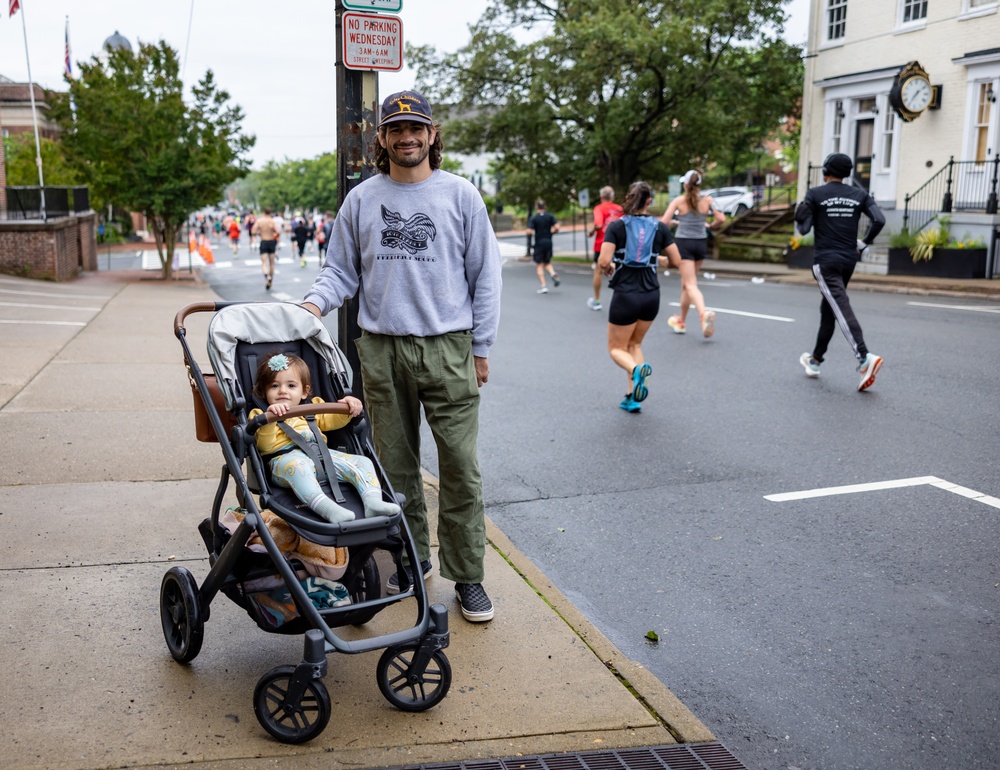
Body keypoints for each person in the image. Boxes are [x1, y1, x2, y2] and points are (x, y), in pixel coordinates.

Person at [302, 90, 503, 623]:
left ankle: (468, 575)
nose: (407, 137)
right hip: (383, 350)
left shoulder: (461, 195)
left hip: (448, 348)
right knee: (395, 468)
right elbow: (340, 271)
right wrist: (311, 305)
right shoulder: (363, 201)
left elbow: (486, 276)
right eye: (396, 129)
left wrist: (480, 347)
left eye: (417, 128)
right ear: (382, 139)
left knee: (461, 467)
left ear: (433, 135)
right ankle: (414, 559)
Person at [248, 353, 402, 524]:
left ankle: (373, 502)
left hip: (323, 456)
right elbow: (264, 445)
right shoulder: (260, 414)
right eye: (274, 386)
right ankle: (328, 510)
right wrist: (270, 418)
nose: (282, 391)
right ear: (264, 391)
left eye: (291, 385)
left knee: (363, 462)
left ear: (304, 391)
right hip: (284, 462)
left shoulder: (312, 407)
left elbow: (333, 420)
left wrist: (348, 408)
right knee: (299, 468)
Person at [794, 152, 886, 392]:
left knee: (840, 307)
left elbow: (803, 228)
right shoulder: (859, 195)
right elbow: (879, 220)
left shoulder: (815, 194)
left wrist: (802, 212)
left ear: (825, 171)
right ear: (847, 173)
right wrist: (864, 242)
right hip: (848, 260)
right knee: (830, 308)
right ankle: (815, 361)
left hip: (825, 262)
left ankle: (864, 357)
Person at [598, 181, 681, 413]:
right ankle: (631, 396)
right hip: (651, 294)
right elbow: (675, 260)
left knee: (616, 348)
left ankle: (636, 371)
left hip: (626, 294)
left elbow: (604, 261)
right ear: (650, 201)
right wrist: (659, 259)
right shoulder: (660, 227)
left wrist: (610, 266)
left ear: (628, 198)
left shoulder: (617, 226)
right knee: (634, 343)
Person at [660, 170, 725, 338]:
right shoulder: (708, 200)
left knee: (690, 284)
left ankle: (704, 314)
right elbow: (721, 219)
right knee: (686, 284)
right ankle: (681, 321)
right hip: (700, 244)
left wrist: (674, 223)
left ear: (685, 185)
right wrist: (710, 226)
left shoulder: (679, 201)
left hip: (684, 244)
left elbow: (663, 223)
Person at [586, 186, 623, 310]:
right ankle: (623, 300)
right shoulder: (619, 209)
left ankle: (597, 301)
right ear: (612, 197)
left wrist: (591, 232)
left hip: (602, 244)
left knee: (598, 271)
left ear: (601, 197)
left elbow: (598, 224)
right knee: (622, 270)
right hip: (619, 244)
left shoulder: (599, 208)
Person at [526, 199, 561, 294]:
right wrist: (552, 232)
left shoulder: (534, 218)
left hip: (539, 243)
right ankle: (553, 273)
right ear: (545, 207)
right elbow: (557, 227)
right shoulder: (550, 216)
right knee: (547, 262)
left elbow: (529, 231)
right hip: (548, 242)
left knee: (539, 264)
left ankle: (543, 285)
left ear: (536, 207)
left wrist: (534, 233)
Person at [252, 206, 281, 290]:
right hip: (272, 242)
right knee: (272, 263)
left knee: (264, 262)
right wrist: (274, 233)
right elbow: (278, 231)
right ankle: (270, 279)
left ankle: (266, 277)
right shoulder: (272, 221)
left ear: (264, 212)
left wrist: (259, 233)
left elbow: (253, 230)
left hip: (264, 241)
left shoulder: (260, 221)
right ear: (270, 212)